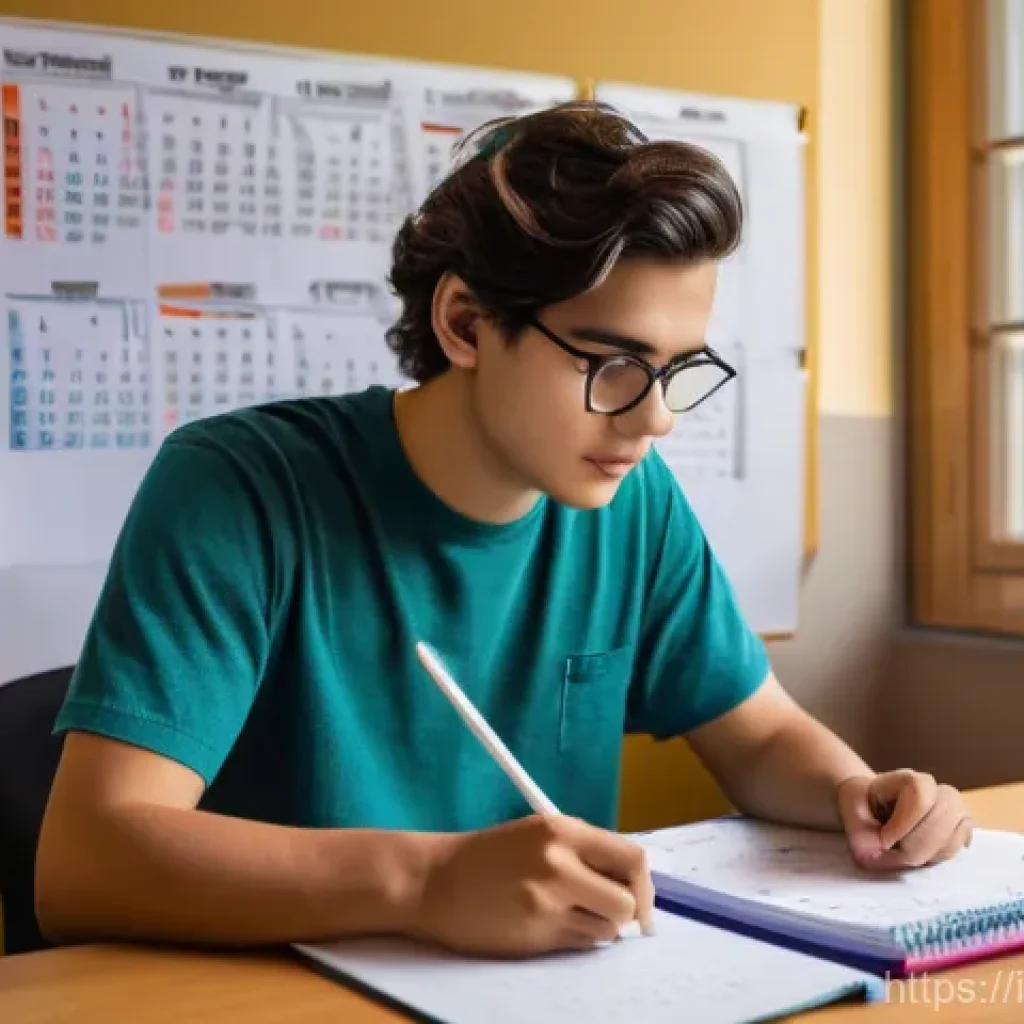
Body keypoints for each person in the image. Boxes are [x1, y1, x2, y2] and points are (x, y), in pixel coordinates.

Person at [35, 102, 972, 959]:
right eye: (611, 363)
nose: (655, 419)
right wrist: (427, 883)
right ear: (467, 324)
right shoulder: (239, 488)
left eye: (677, 370)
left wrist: (858, 796)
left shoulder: (632, 504)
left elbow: (759, 737)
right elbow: (85, 863)